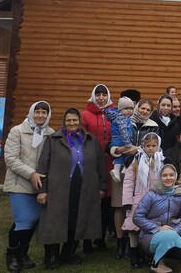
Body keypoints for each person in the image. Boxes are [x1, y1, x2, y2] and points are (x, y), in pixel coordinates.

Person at [36, 108, 108, 268]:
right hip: (58, 188)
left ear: (80, 122)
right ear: (64, 122)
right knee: (55, 221)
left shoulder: (91, 140)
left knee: (77, 219)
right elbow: (43, 166)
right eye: (68, 120)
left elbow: (100, 164)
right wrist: (42, 190)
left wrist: (102, 186)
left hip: (84, 186)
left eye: (75, 120)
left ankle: (68, 252)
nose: (72, 123)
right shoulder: (53, 140)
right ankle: (51, 256)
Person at [4, 101, 54, 272]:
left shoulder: (50, 134)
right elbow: (10, 159)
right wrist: (31, 173)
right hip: (20, 183)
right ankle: (12, 255)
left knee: (33, 220)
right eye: (37, 112)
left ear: (48, 115)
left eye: (44, 112)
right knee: (24, 219)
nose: (40, 115)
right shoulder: (17, 131)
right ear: (31, 112)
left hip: (39, 185)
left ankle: (23, 254)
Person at [132, 164, 181, 273]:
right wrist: (158, 229)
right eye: (165, 175)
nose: (168, 178)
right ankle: (156, 264)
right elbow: (137, 217)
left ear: (175, 177)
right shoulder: (151, 194)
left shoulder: (180, 195)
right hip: (149, 235)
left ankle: (161, 253)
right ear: (160, 177)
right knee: (168, 236)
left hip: (171, 234)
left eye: (171, 175)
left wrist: (176, 231)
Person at [121, 132, 164, 268]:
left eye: (154, 145)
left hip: (155, 201)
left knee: (151, 227)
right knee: (134, 228)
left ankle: (147, 254)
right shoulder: (137, 160)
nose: (151, 148)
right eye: (148, 146)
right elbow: (128, 182)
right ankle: (134, 255)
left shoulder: (162, 161)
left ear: (158, 146)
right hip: (138, 200)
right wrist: (127, 201)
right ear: (143, 145)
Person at [80, 84, 114, 253]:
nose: (101, 98)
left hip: (110, 164)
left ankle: (100, 239)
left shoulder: (113, 114)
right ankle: (86, 240)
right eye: (98, 94)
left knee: (106, 203)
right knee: (90, 203)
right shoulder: (85, 115)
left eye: (104, 94)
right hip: (91, 164)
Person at [104, 96, 136, 183]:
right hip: (120, 139)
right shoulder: (122, 118)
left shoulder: (123, 117)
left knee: (122, 156)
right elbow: (123, 131)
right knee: (127, 153)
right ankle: (120, 170)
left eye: (131, 108)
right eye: (126, 108)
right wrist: (128, 143)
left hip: (118, 139)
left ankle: (119, 170)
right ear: (120, 110)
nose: (129, 110)